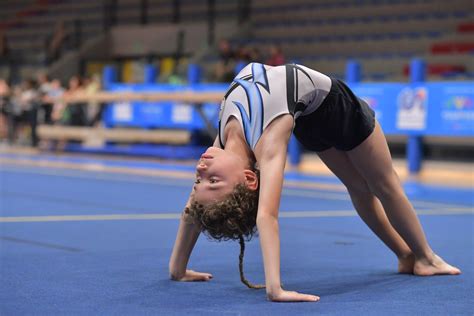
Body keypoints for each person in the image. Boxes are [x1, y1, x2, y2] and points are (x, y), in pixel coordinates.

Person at [169, 63, 461, 303]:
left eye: (199, 179)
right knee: (383, 185)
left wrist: (177, 268)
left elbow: (192, 207)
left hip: (314, 115)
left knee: (364, 188)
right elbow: (267, 215)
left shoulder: (222, 142)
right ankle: (425, 258)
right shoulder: (269, 142)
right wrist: (274, 287)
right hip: (337, 110)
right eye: (213, 180)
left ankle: (407, 255)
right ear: (248, 178)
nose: (201, 167)